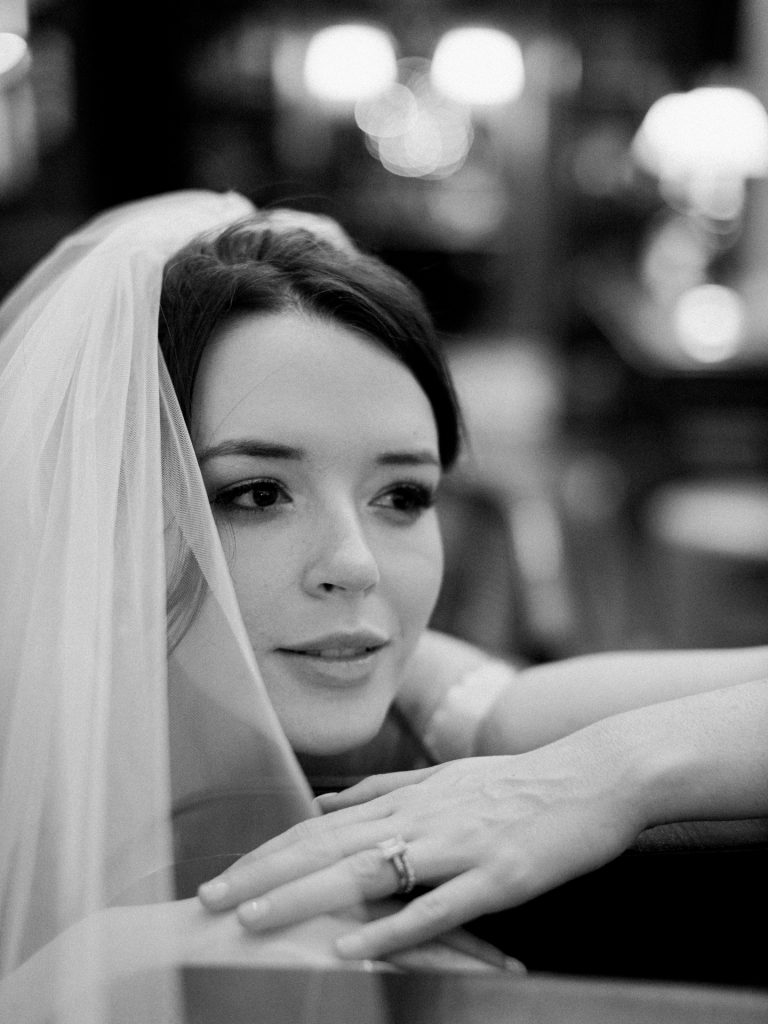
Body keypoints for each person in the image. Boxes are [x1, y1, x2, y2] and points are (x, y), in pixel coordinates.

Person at [0, 191, 766, 1014]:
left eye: (402, 495)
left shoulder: (438, 716)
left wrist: (609, 772)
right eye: (257, 493)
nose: (356, 566)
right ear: (98, 513)